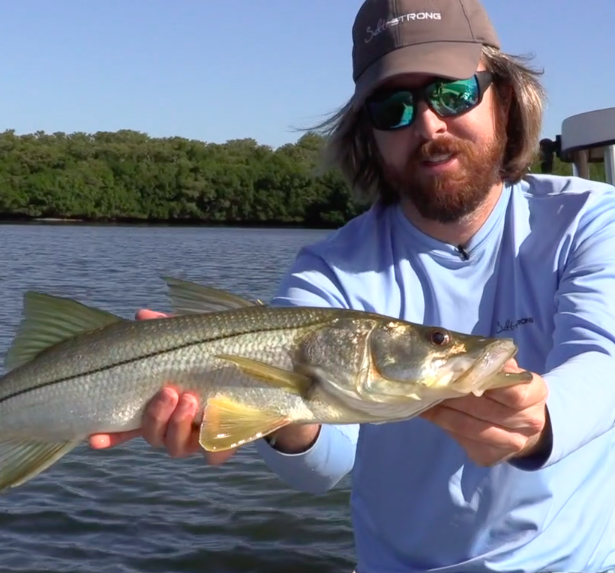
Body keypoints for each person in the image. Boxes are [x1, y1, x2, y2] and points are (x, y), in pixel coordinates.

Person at [90, 0, 615, 571]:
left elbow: (603, 358)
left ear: (505, 100)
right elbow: (325, 465)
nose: (428, 125)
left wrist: (543, 421)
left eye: (454, 93)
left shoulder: (592, 219)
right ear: (368, 133)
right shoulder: (328, 272)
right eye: (393, 108)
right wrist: (276, 419)